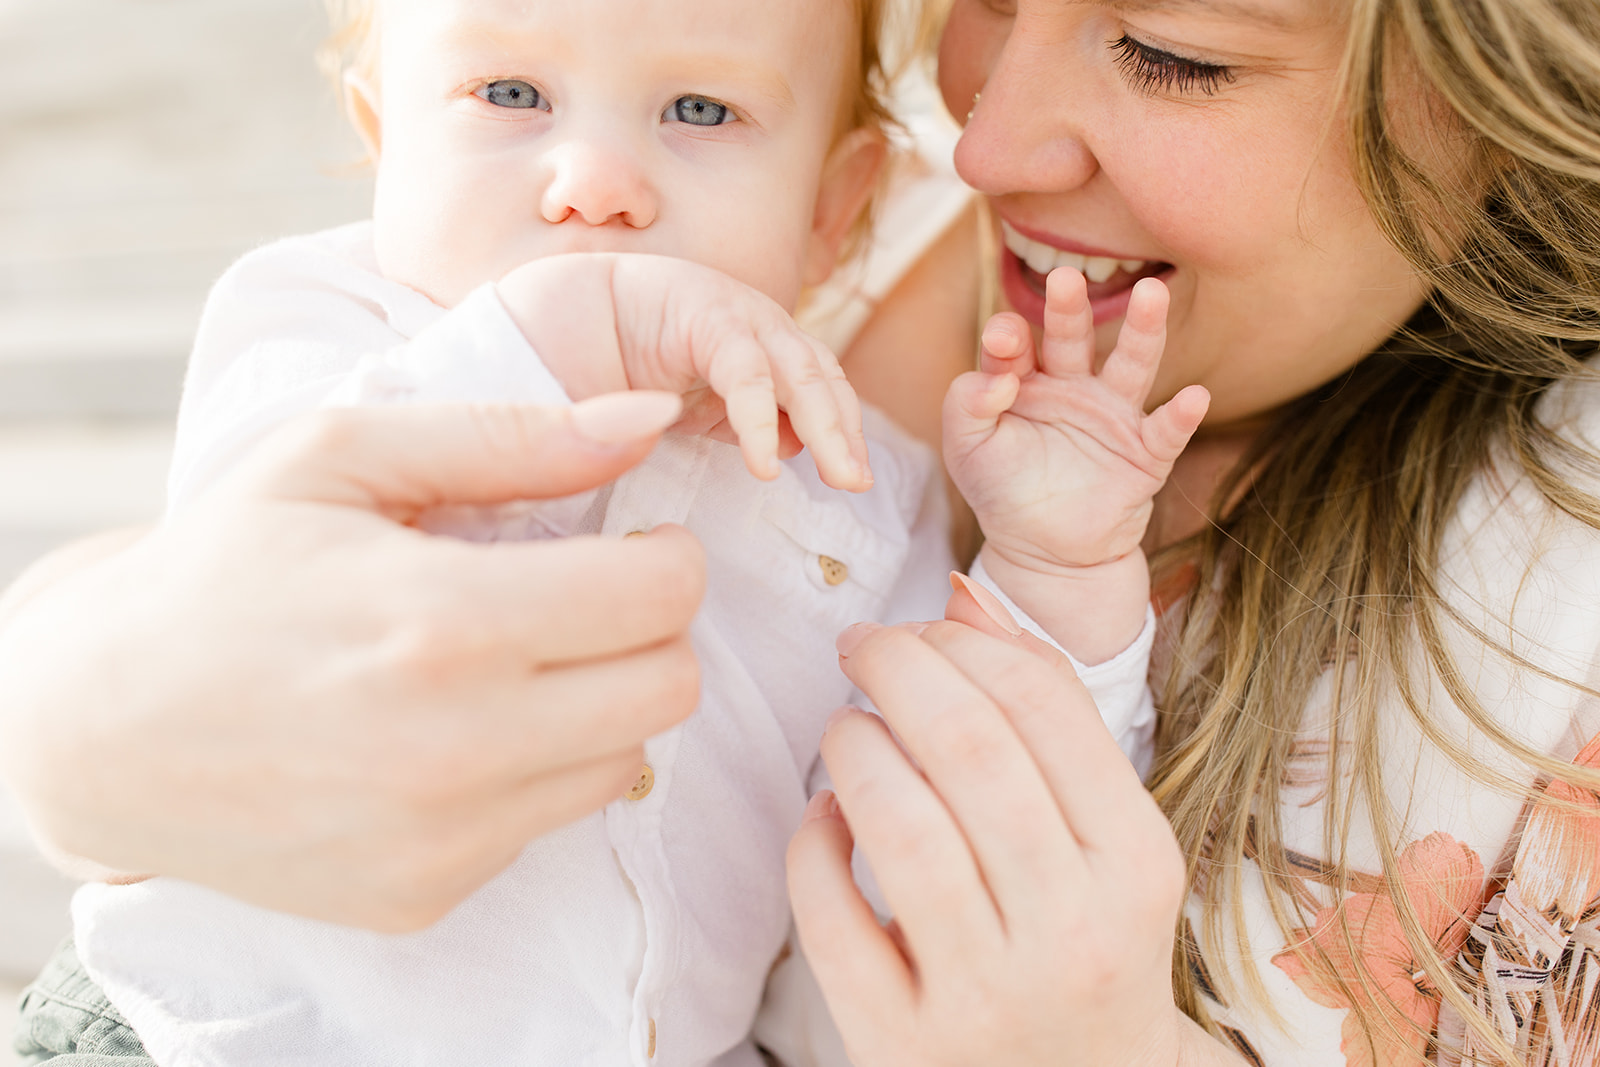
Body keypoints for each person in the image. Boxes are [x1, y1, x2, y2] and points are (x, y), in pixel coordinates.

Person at [25, 1, 1198, 1065]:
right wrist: (579, 326)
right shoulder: (326, 329)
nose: (595, 180)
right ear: (386, 138)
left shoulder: (853, 482)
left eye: (699, 109)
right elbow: (238, 594)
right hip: (204, 1036)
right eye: (509, 96)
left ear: (836, 212)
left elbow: (937, 831)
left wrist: (1055, 569)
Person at [778, 0, 1600, 1065]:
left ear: (1511, 95)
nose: (983, 148)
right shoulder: (793, 238)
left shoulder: (1554, 595)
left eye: (1168, 55)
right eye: (983, 1)